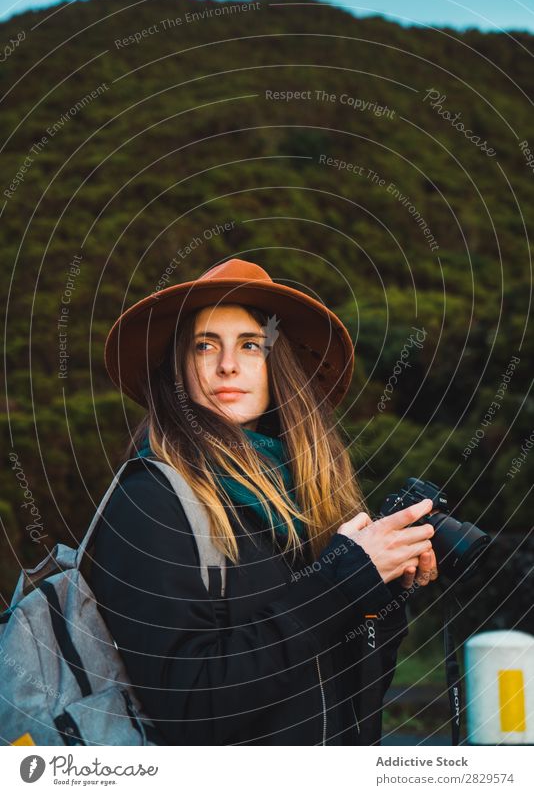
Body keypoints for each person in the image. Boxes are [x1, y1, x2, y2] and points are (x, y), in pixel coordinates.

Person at [91, 257, 438, 746]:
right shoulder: (151, 501)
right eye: (204, 345)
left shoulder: (307, 502)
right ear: (176, 373)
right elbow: (191, 709)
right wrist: (339, 585)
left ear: (279, 368)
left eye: (251, 345)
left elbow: (351, 704)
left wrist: (379, 588)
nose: (227, 364)